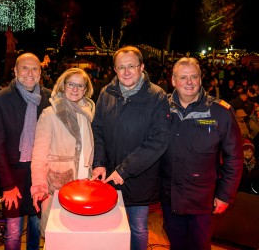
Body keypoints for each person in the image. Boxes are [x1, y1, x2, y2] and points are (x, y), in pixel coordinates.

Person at [90, 45, 171, 250]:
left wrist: (125, 170)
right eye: (121, 67)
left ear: (141, 67)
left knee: (138, 227)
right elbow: (97, 130)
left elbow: (158, 140)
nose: (126, 72)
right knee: (109, 227)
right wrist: (99, 163)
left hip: (139, 175)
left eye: (131, 66)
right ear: (115, 69)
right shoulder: (106, 93)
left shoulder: (156, 96)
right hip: (108, 174)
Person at [159, 57, 243, 250]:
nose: (189, 82)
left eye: (193, 77)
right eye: (183, 77)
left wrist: (225, 195)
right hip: (170, 196)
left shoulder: (220, 112)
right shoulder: (161, 108)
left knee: (199, 245)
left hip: (203, 200)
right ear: (173, 80)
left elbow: (235, 157)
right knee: (176, 244)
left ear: (200, 79)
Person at [0, 52, 51, 250]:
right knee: (14, 231)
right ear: (15, 71)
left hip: (40, 174)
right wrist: (7, 185)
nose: (30, 73)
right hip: (13, 176)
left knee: (36, 226)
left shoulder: (50, 98)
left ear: (40, 72)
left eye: (35, 69)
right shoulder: (0, 100)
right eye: (24, 68)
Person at [30, 68, 95, 236]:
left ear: (86, 89)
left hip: (83, 182)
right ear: (63, 86)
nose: (75, 89)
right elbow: (39, 154)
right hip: (58, 182)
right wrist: (38, 185)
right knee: (56, 234)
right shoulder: (50, 113)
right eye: (71, 84)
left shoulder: (87, 113)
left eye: (80, 86)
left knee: (76, 236)